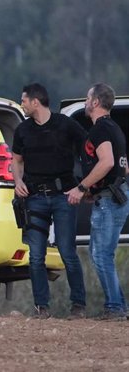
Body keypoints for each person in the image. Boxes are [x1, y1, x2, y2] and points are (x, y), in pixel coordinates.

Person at [11, 83, 87, 320]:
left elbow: (90, 151)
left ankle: (78, 306)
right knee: (35, 255)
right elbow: (16, 160)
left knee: (67, 252)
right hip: (35, 198)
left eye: (24, 100)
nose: (21, 104)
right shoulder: (23, 130)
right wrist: (17, 181)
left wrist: (84, 185)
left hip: (63, 196)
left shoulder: (66, 125)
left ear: (36, 102)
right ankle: (41, 307)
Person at [66, 83, 129, 321]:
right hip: (115, 196)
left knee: (101, 255)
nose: (85, 101)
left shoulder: (100, 130)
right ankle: (118, 305)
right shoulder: (114, 128)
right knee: (100, 253)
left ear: (94, 102)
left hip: (110, 201)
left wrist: (82, 188)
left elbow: (107, 162)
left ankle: (115, 307)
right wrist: (97, 188)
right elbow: (124, 166)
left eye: (87, 97)